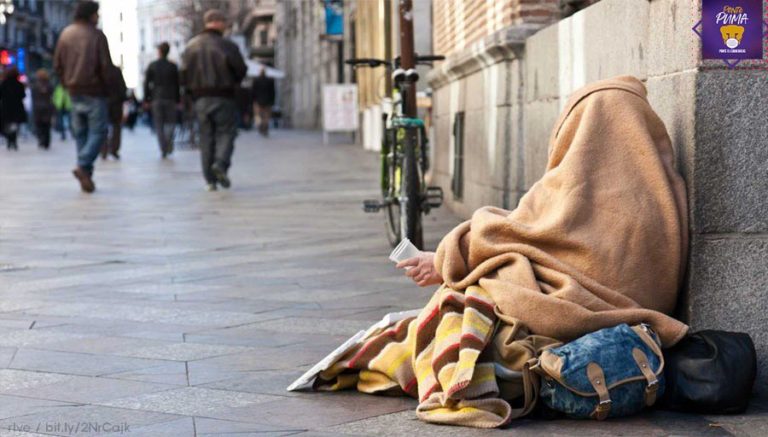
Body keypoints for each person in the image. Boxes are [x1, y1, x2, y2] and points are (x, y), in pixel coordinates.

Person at [312, 76, 691, 428]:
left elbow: (512, 233)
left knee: (462, 301)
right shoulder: (665, 195)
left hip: (569, 312)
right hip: (627, 320)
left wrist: (445, 259)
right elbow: (549, 242)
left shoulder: (571, 182)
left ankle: (441, 369)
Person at [181, 9, 247, 191]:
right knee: (226, 132)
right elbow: (241, 69)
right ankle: (220, 163)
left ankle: (210, 180)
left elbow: (183, 74)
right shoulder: (228, 45)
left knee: (206, 136)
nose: (226, 26)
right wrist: (234, 83)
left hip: (200, 98)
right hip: (224, 95)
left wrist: (190, 93)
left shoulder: (191, 46)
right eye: (224, 22)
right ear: (218, 23)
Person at [53, 0, 113, 193]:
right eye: (97, 13)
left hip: (73, 91)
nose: (98, 16)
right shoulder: (97, 35)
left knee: (81, 133)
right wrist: (107, 88)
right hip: (94, 91)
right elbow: (105, 66)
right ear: (90, 14)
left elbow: (57, 65)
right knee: (99, 131)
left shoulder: (65, 34)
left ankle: (85, 174)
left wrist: (66, 83)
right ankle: (83, 164)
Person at [143, 42, 180, 158]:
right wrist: (178, 99)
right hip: (170, 97)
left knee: (159, 124)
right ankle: (168, 143)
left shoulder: (152, 65)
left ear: (159, 51)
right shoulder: (173, 66)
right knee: (170, 123)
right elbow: (177, 84)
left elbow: (146, 83)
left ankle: (163, 147)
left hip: (156, 97)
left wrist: (146, 99)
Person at [101, 64, 126, 160]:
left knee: (102, 127)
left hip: (103, 102)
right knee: (116, 126)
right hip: (116, 102)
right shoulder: (116, 71)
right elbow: (122, 88)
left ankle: (104, 149)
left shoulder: (99, 70)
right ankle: (114, 149)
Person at [0, 68, 28, 151]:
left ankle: (10, 140)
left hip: (6, 107)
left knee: (8, 124)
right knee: (14, 124)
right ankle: (13, 140)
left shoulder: (4, 84)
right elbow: (23, 95)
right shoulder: (19, 84)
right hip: (17, 108)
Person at [31, 69, 55, 149]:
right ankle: (46, 142)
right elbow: (52, 96)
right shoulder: (49, 85)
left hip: (38, 108)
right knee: (47, 126)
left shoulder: (35, 85)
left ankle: (41, 140)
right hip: (47, 107)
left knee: (39, 125)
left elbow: (33, 97)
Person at [251, 67, 275, 136]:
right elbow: (273, 92)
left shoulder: (256, 81)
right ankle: (264, 128)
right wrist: (272, 101)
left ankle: (261, 127)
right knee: (266, 116)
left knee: (259, 115)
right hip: (267, 101)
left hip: (258, 101)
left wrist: (253, 101)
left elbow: (253, 92)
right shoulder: (270, 81)